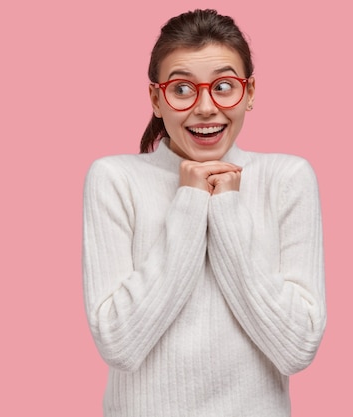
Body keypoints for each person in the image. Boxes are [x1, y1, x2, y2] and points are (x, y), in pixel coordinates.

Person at [82, 9, 326, 417]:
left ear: (249, 93)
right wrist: (190, 202)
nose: (206, 107)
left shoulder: (288, 178)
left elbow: (297, 348)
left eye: (224, 86)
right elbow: (120, 345)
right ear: (157, 99)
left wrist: (227, 208)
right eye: (182, 89)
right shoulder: (114, 179)